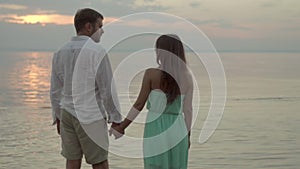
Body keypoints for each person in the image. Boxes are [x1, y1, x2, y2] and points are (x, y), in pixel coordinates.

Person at [50, 8, 122, 169]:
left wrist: (58, 117)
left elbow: (55, 90)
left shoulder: (60, 52)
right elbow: (107, 88)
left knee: (72, 162)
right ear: (89, 27)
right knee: (100, 162)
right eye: (100, 26)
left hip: (67, 113)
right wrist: (116, 118)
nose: (102, 31)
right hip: (90, 116)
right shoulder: (97, 51)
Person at [110, 34, 193, 169]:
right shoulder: (187, 77)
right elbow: (188, 110)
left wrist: (122, 127)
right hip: (178, 131)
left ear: (161, 52)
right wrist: (188, 136)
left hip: (156, 130)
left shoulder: (151, 74)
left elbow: (138, 105)